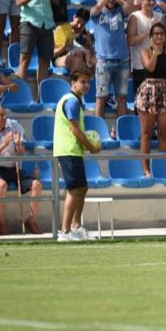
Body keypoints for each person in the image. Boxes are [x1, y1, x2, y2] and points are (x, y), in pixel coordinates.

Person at [0, 103, 43, 235]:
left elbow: (22, 152)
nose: (5, 117)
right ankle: (1, 221)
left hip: (12, 168)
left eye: (5, 114)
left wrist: (18, 144)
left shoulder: (12, 129)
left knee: (36, 184)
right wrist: (5, 144)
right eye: (1, 115)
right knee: (1, 185)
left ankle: (31, 220)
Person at [54, 66, 102, 242]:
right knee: (75, 189)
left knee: (82, 187)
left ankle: (76, 227)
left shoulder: (76, 100)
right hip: (68, 150)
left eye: (88, 82)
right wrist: (91, 146)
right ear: (73, 83)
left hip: (72, 150)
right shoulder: (72, 101)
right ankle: (65, 232)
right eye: (82, 82)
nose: (86, 85)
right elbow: (75, 130)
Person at [134, 21, 166, 166]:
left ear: (165, 37)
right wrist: (155, 53)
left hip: (165, 92)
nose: (159, 37)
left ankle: (162, 167)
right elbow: (150, 68)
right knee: (146, 133)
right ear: (151, 37)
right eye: (156, 34)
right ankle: (146, 168)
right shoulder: (145, 51)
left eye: (161, 34)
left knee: (164, 134)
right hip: (149, 91)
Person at [13, 0, 56, 95]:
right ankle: (21, 94)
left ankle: (40, 95)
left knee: (45, 60)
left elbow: (56, 1)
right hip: (29, 22)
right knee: (25, 57)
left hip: (47, 23)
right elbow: (18, 1)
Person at [90, 0, 131, 119]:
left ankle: (123, 131)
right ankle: (98, 130)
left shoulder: (120, 11)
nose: (112, 0)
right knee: (101, 98)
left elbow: (129, 7)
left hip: (122, 61)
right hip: (103, 62)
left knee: (122, 99)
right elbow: (97, 7)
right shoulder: (97, 12)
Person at [53, 8, 96, 75]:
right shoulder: (62, 30)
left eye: (82, 25)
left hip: (80, 57)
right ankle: (76, 82)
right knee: (77, 60)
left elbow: (90, 52)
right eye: (78, 22)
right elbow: (54, 53)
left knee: (95, 61)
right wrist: (65, 46)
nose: (79, 26)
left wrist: (88, 43)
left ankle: (94, 83)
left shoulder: (85, 33)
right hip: (60, 58)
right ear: (74, 17)